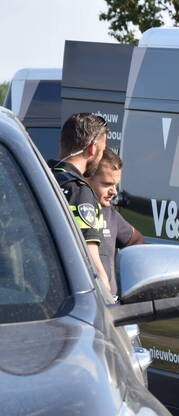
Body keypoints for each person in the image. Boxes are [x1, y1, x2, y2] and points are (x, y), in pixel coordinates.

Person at [49, 113, 111, 293]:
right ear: (92, 149)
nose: (101, 157)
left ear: (62, 142)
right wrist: (107, 305)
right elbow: (90, 260)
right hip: (76, 297)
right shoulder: (78, 189)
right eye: (103, 150)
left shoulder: (43, 177)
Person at [86, 151, 144, 296]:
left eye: (116, 185)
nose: (114, 192)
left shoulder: (110, 213)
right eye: (107, 184)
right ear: (86, 179)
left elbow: (136, 240)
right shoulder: (69, 209)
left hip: (109, 306)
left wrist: (127, 277)